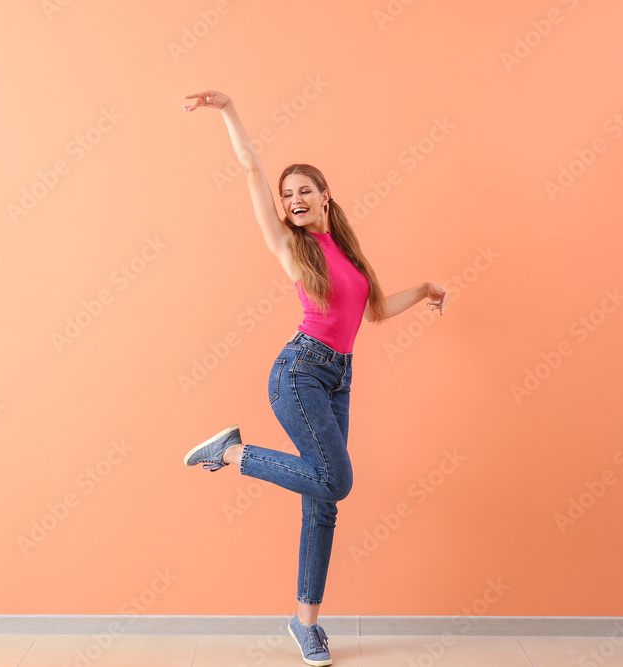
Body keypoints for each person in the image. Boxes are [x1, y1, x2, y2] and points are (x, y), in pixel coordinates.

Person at [180, 89, 448, 667]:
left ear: (326, 197)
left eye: (305, 191)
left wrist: (425, 289)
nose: (295, 200)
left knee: (322, 499)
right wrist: (229, 110)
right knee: (337, 479)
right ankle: (229, 454)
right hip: (300, 372)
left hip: (338, 379)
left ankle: (307, 626)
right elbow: (251, 167)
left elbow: (372, 310)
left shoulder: (346, 252)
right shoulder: (290, 246)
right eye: (288, 195)